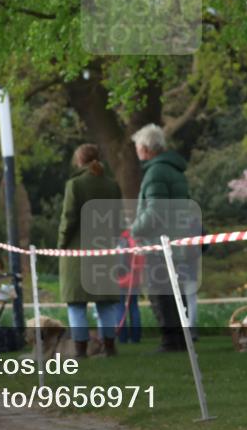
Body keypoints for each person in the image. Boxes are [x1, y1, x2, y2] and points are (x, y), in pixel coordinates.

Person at [129, 123, 194, 352]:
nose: (136, 151)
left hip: (159, 242)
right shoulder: (174, 170)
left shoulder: (155, 172)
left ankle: (170, 340)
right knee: (175, 291)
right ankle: (180, 339)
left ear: (146, 148)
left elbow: (155, 211)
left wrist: (134, 228)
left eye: (137, 147)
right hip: (176, 239)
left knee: (159, 292)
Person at [57, 143, 123, 357]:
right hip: (104, 251)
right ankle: (110, 348)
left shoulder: (74, 185)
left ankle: (80, 350)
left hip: (78, 252)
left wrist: (61, 244)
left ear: (79, 161)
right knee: (105, 304)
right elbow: (117, 221)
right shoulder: (112, 186)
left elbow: (69, 219)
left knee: (76, 304)